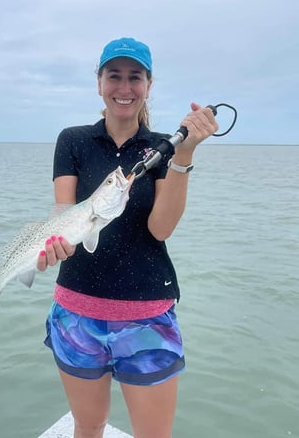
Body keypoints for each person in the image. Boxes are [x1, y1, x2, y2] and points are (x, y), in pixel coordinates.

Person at [36, 37, 218, 438]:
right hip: (75, 311)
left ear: (149, 85)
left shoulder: (161, 149)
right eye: (113, 76)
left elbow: (160, 229)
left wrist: (184, 155)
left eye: (134, 77)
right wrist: (53, 243)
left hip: (146, 315)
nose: (124, 87)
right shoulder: (73, 140)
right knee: (87, 426)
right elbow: (63, 213)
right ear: (99, 82)